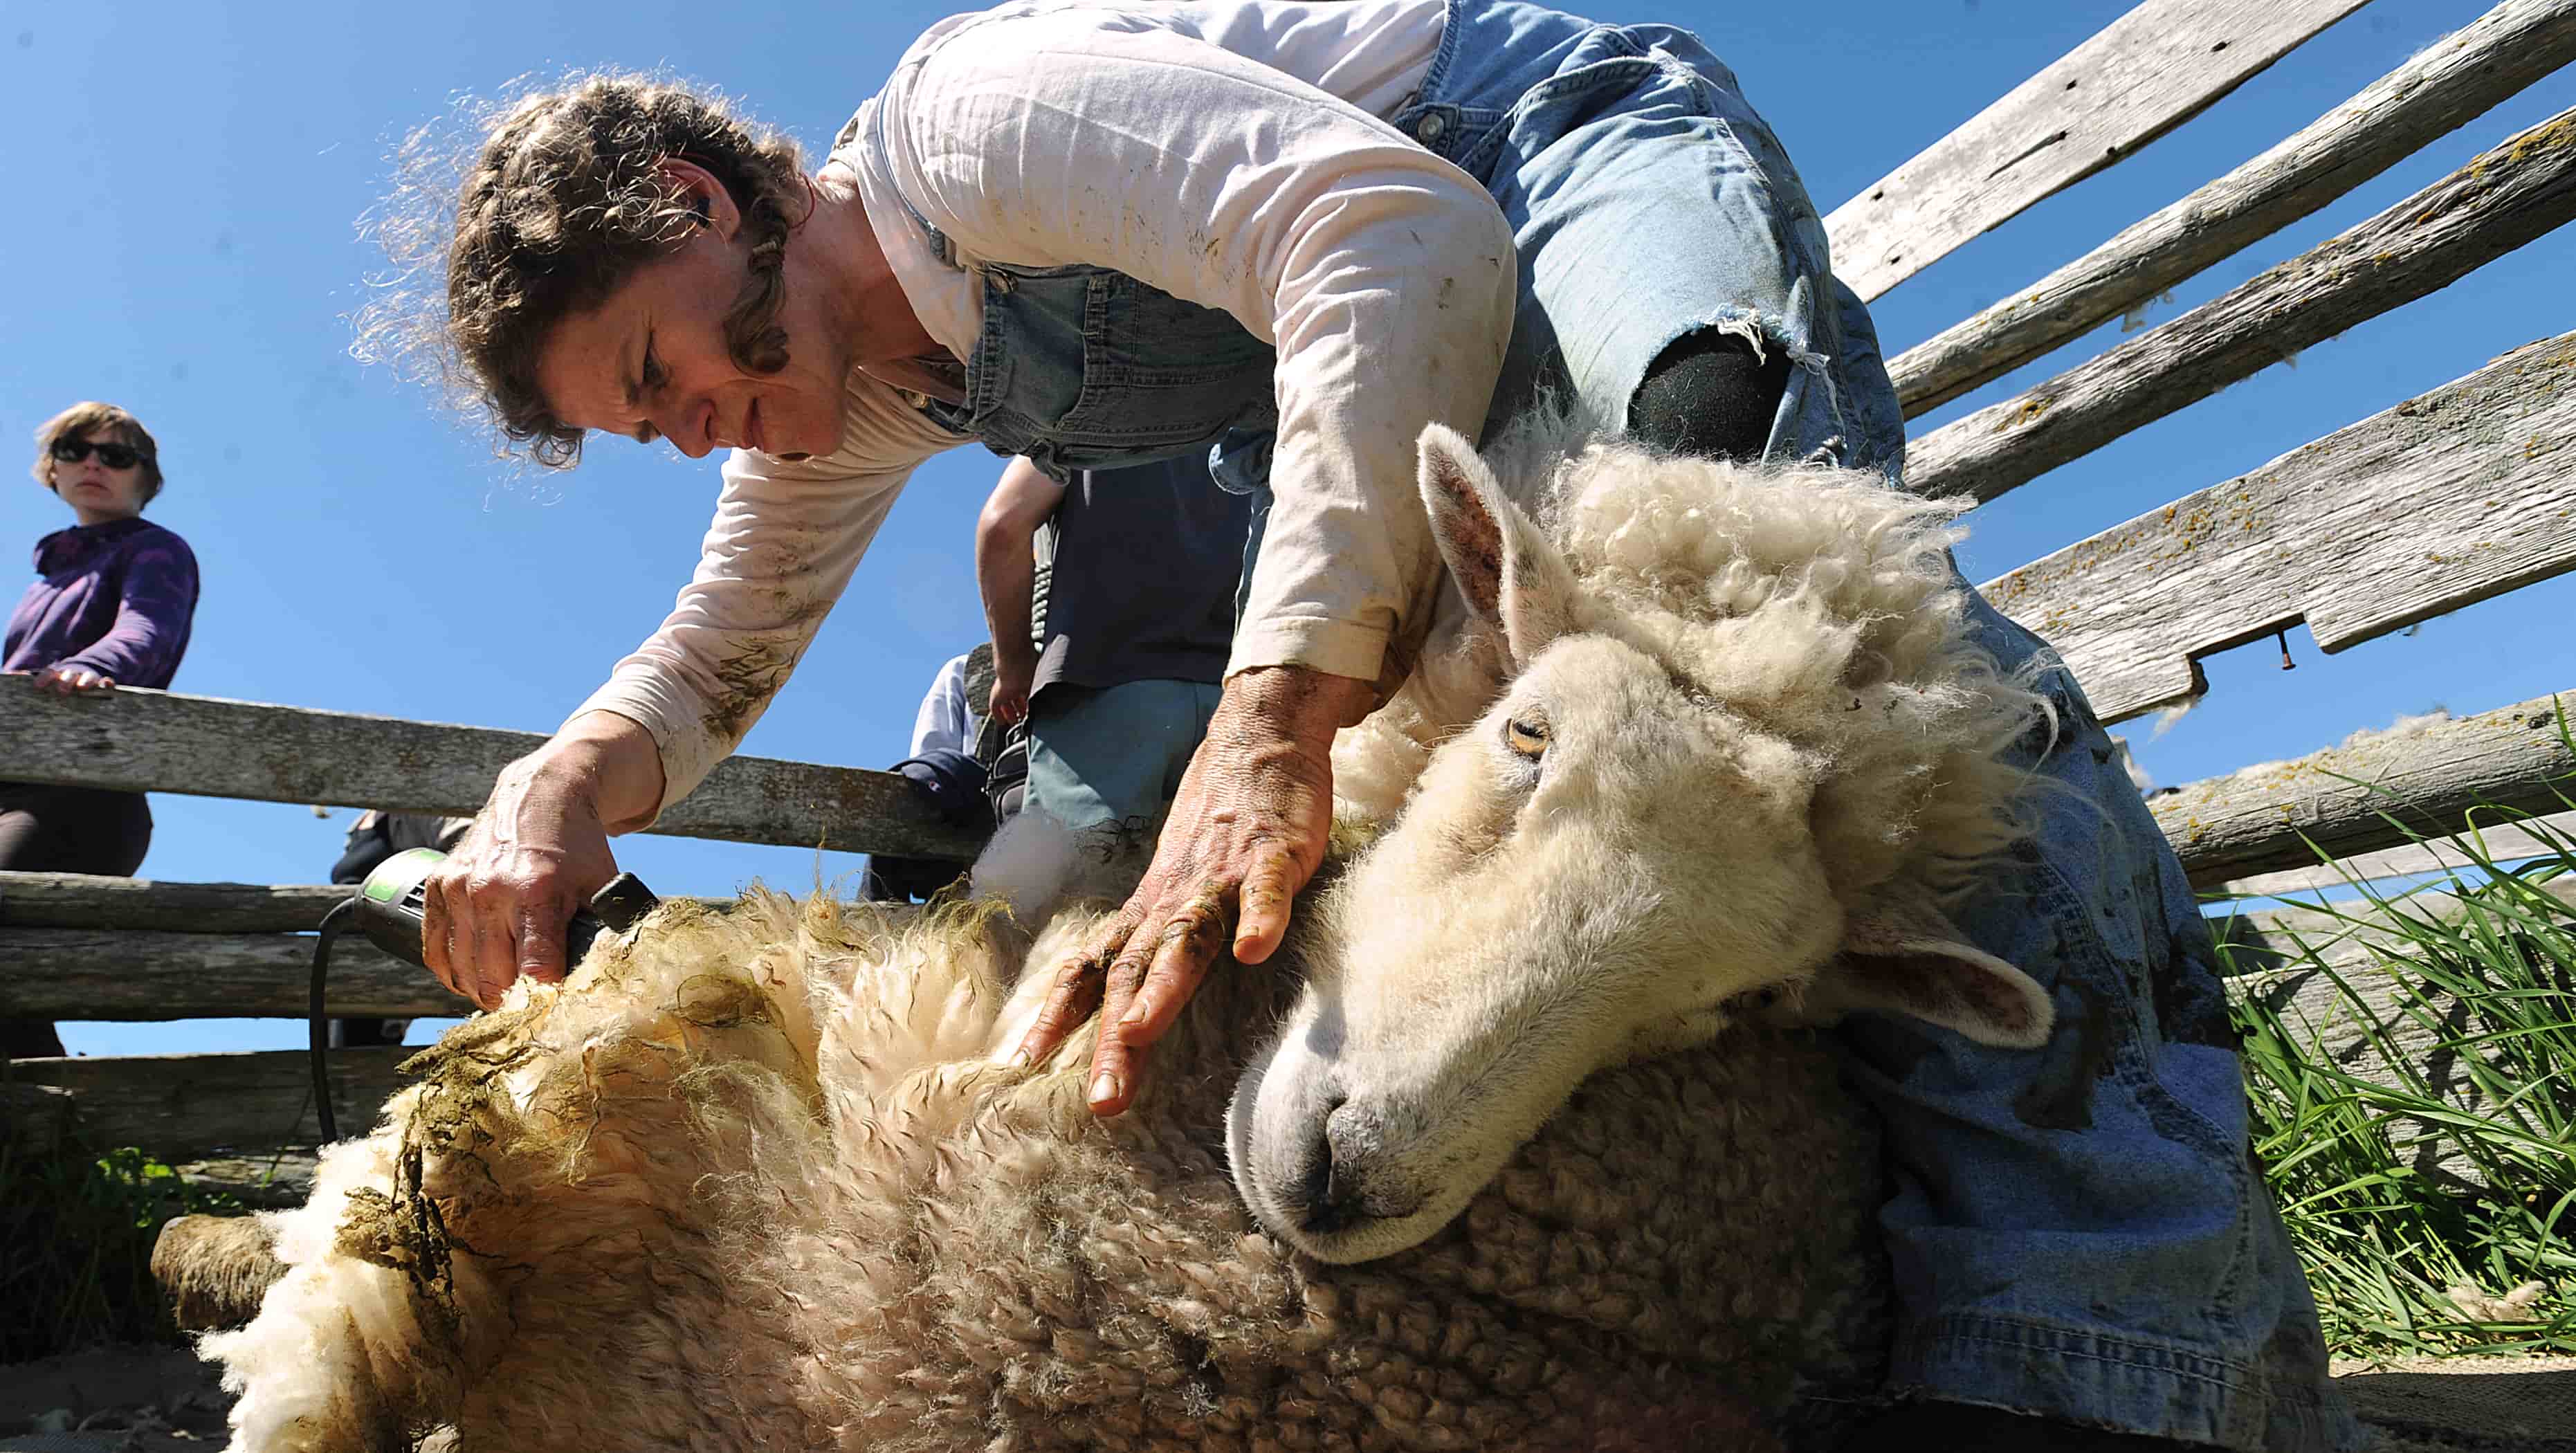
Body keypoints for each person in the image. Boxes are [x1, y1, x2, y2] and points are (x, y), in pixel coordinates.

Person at [384, 6, 2355, 1446]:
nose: (701, 426)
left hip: (1547, 177)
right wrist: (555, 795)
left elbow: (1393, 237)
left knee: (1773, 649)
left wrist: (1269, 716)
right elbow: (715, 646)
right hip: (1382, 365)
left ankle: (2114, 1360)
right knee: (1532, 783)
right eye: (655, 428)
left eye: (663, 364)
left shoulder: (969, 124)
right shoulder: (883, 390)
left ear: (700, 194)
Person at [3, 402, 200, 1059]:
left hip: (85, 796)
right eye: (75, 449)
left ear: (144, 480)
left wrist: (89, 666)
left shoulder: (156, 550)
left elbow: (148, 630)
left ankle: (58, 1151)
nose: (93, 463)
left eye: (117, 456)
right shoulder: (46, 580)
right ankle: (55, 1148)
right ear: (52, 471)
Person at [978, 450, 1254, 854]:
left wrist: (1013, 663)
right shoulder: (1264, 421)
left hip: (1105, 690)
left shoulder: (1082, 411)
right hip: (1239, 707)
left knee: (1075, 904)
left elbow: (1002, 527)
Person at [326, 810, 474, 1045]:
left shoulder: (414, 807)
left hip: (386, 960)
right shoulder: (359, 826)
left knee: (366, 1050)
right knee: (334, 1047)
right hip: (343, 961)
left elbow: (473, 847)